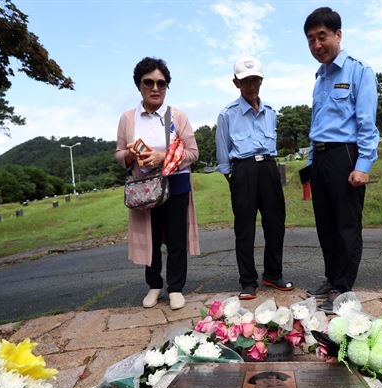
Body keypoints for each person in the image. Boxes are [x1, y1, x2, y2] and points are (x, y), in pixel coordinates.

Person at [302, 8, 380, 313]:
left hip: (345, 156)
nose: (317, 45)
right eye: (311, 40)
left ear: (338, 35)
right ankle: (332, 279)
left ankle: (343, 289)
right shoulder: (320, 78)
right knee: (326, 225)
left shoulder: (359, 72)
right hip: (320, 158)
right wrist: (310, 165)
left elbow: (367, 125)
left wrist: (363, 166)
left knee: (347, 225)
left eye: (322, 36)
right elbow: (317, 125)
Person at [115, 57, 200, 310]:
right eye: (148, 82)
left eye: (161, 83)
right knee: (150, 236)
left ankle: (176, 288)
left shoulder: (178, 116)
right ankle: (154, 285)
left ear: (167, 86)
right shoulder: (128, 119)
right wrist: (131, 155)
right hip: (145, 187)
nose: (155, 88)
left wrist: (164, 157)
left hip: (176, 183)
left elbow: (193, 153)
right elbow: (119, 155)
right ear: (139, 85)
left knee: (176, 237)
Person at [215, 56, 293, 300]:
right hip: (243, 170)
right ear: (236, 83)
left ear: (261, 80)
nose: (251, 85)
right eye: (246, 81)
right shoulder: (227, 114)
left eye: (256, 80)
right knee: (245, 228)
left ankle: (273, 273)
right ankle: (248, 281)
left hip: (269, 168)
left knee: (275, 223)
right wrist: (234, 177)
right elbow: (222, 153)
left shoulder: (271, 112)